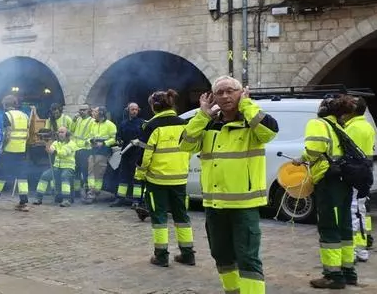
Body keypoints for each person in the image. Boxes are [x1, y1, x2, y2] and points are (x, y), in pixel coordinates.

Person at [181, 76, 277, 294]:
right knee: (221, 254)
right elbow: (186, 145)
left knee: (248, 258)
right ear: (213, 97)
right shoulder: (208, 124)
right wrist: (202, 115)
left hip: (244, 206)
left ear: (241, 92)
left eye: (231, 91)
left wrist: (246, 104)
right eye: (220, 92)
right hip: (214, 205)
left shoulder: (252, 123)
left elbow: (269, 132)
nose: (225, 96)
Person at [293, 96, 356, 289]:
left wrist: (301, 158)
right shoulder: (339, 126)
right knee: (344, 225)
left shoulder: (318, 124)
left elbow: (314, 149)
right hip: (344, 180)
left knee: (329, 227)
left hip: (329, 181)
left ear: (323, 109)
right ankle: (348, 272)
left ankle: (333, 276)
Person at [135, 90, 193, 267]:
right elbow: (190, 149)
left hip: (157, 180)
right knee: (182, 217)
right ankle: (188, 254)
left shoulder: (151, 126)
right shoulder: (184, 124)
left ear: (153, 106)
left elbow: (144, 155)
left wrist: (140, 174)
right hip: (180, 179)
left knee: (159, 218)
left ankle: (161, 256)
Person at [341, 95, 375, 264]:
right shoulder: (365, 125)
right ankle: (360, 248)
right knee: (360, 210)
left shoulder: (353, 128)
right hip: (363, 173)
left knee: (355, 211)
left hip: (355, 174)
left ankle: (357, 250)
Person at [0, 95, 31, 211]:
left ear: (5, 105)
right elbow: (27, 135)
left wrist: (2, 147)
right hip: (21, 151)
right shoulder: (25, 116)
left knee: (1, 176)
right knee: (22, 177)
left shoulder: (7, 115)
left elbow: (7, 134)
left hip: (9, 151)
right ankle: (24, 203)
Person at [32, 126, 77, 207]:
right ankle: (38, 198)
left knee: (64, 177)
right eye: (59, 132)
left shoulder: (72, 144)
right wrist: (48, 145)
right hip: (57, 167)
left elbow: (63, 153)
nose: (60, 134)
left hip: (68, 167)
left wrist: (54, 151)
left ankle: (66, 200)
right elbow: (50, 149)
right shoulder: (56, 143)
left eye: (62, 132)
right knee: (45, 176)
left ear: (67, 133)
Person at [112, 102, 146, 207]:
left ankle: (136, 200)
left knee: (136, 178)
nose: (134, 111)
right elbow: (119, 136)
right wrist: (119, 141)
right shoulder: (123, 123)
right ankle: (120, 198)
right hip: (126, 153)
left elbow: (146, 138)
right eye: (132, 109)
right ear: (128, 110)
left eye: (136, 109)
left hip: (137, 154)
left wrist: (139, 141)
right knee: (123, 176)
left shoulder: (142, 123)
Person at [85, 106, 116, 203]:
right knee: (90, 171)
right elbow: (88, 136)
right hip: (92, 150)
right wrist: (89, 141)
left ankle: (96, 191)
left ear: (101, 113)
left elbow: (114, 138)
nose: (93, 113)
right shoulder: (92, 124)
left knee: (99, 173)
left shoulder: (110, 125)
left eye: (95, 112)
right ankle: (91, 191)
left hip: (103, 152)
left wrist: (104, 143)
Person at [70, 104, 93, 199]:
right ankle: (76, 191)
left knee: (85, 171)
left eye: (84, 110)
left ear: (88, 111)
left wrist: (87, 142)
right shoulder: (78, 119)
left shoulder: (92, 121)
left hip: (85, 150)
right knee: (76, 171)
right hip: (76, 148)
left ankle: (87, 191)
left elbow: (93, 134)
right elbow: (71, 130)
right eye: (80, 110)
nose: (81, 112)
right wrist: (74, 121)